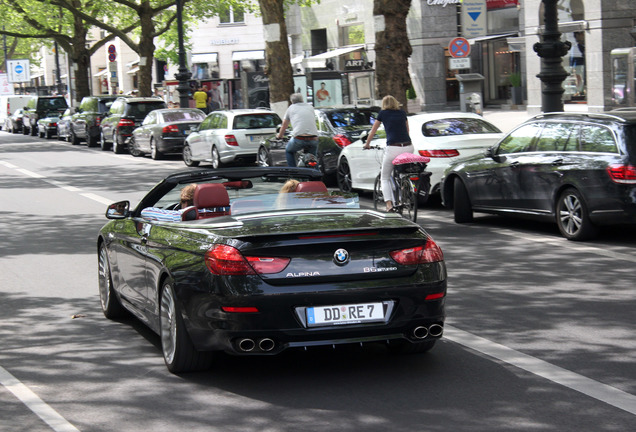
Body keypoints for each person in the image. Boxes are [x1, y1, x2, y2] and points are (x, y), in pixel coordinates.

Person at [363, 95, 412, 212]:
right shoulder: (402, 113)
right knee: (401, 174)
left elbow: (373, 131)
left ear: (384, 104)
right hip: (408, 147)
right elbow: (407, 130)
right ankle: (403, 196)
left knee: (384, 178)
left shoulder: (383, 114)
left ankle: (389, 205)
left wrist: (367, 144)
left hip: (393, 148)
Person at [277, 93, 319, 167]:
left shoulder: (291, 108)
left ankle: (293, 172)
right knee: (313, 157)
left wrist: (280, 135)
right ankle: (316, 172)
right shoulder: (310, 107)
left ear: (292, 101)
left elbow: (284, 125)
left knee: (289, 151)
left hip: (299, 138)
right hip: (313, 138)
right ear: (302, 100)